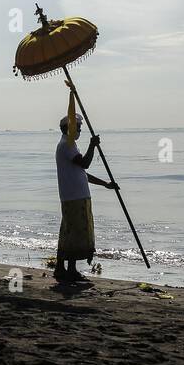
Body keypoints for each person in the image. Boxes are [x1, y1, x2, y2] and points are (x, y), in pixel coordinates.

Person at [54, 112, 117, 284]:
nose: (80, 130)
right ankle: (71, 270)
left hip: (75, 195)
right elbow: (85, 163)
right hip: (74, 196)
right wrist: (92, 146)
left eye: (80, 128)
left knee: (68, 231)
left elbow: (82, 173)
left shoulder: (70, 145)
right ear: (69, 128)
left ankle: (60, 267)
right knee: (74, 232)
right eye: (78, 128)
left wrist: (105, 184)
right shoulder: (66, 145)